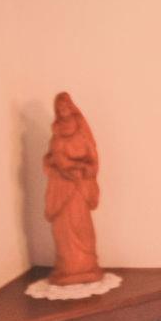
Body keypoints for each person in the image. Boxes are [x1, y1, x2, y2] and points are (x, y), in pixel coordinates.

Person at [43, 92, 104, 285]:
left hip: (78, 189)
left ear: (71, 108)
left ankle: (86, 265)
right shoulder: (56, 135)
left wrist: (81, 169)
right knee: (62, 230)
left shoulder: (82, 133)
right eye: (59, 108)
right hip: (62, 189)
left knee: (81, 226)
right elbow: (50, 160)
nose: (63, 110)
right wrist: (61, 167)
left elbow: (93, 162)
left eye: (65, 106)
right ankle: (67, 267)